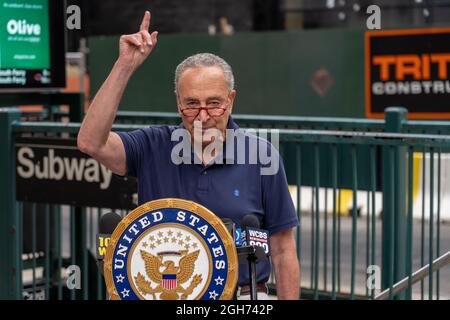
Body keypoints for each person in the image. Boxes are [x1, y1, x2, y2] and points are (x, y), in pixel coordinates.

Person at [77, 11, 300, 300]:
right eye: (191, 104)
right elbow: (90, 142)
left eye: (214, 104)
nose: (202, 116)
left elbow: (283, 249)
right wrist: (124, 66)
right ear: (178, 101)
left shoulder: (261, 156)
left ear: (231, 101)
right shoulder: (152, 145)